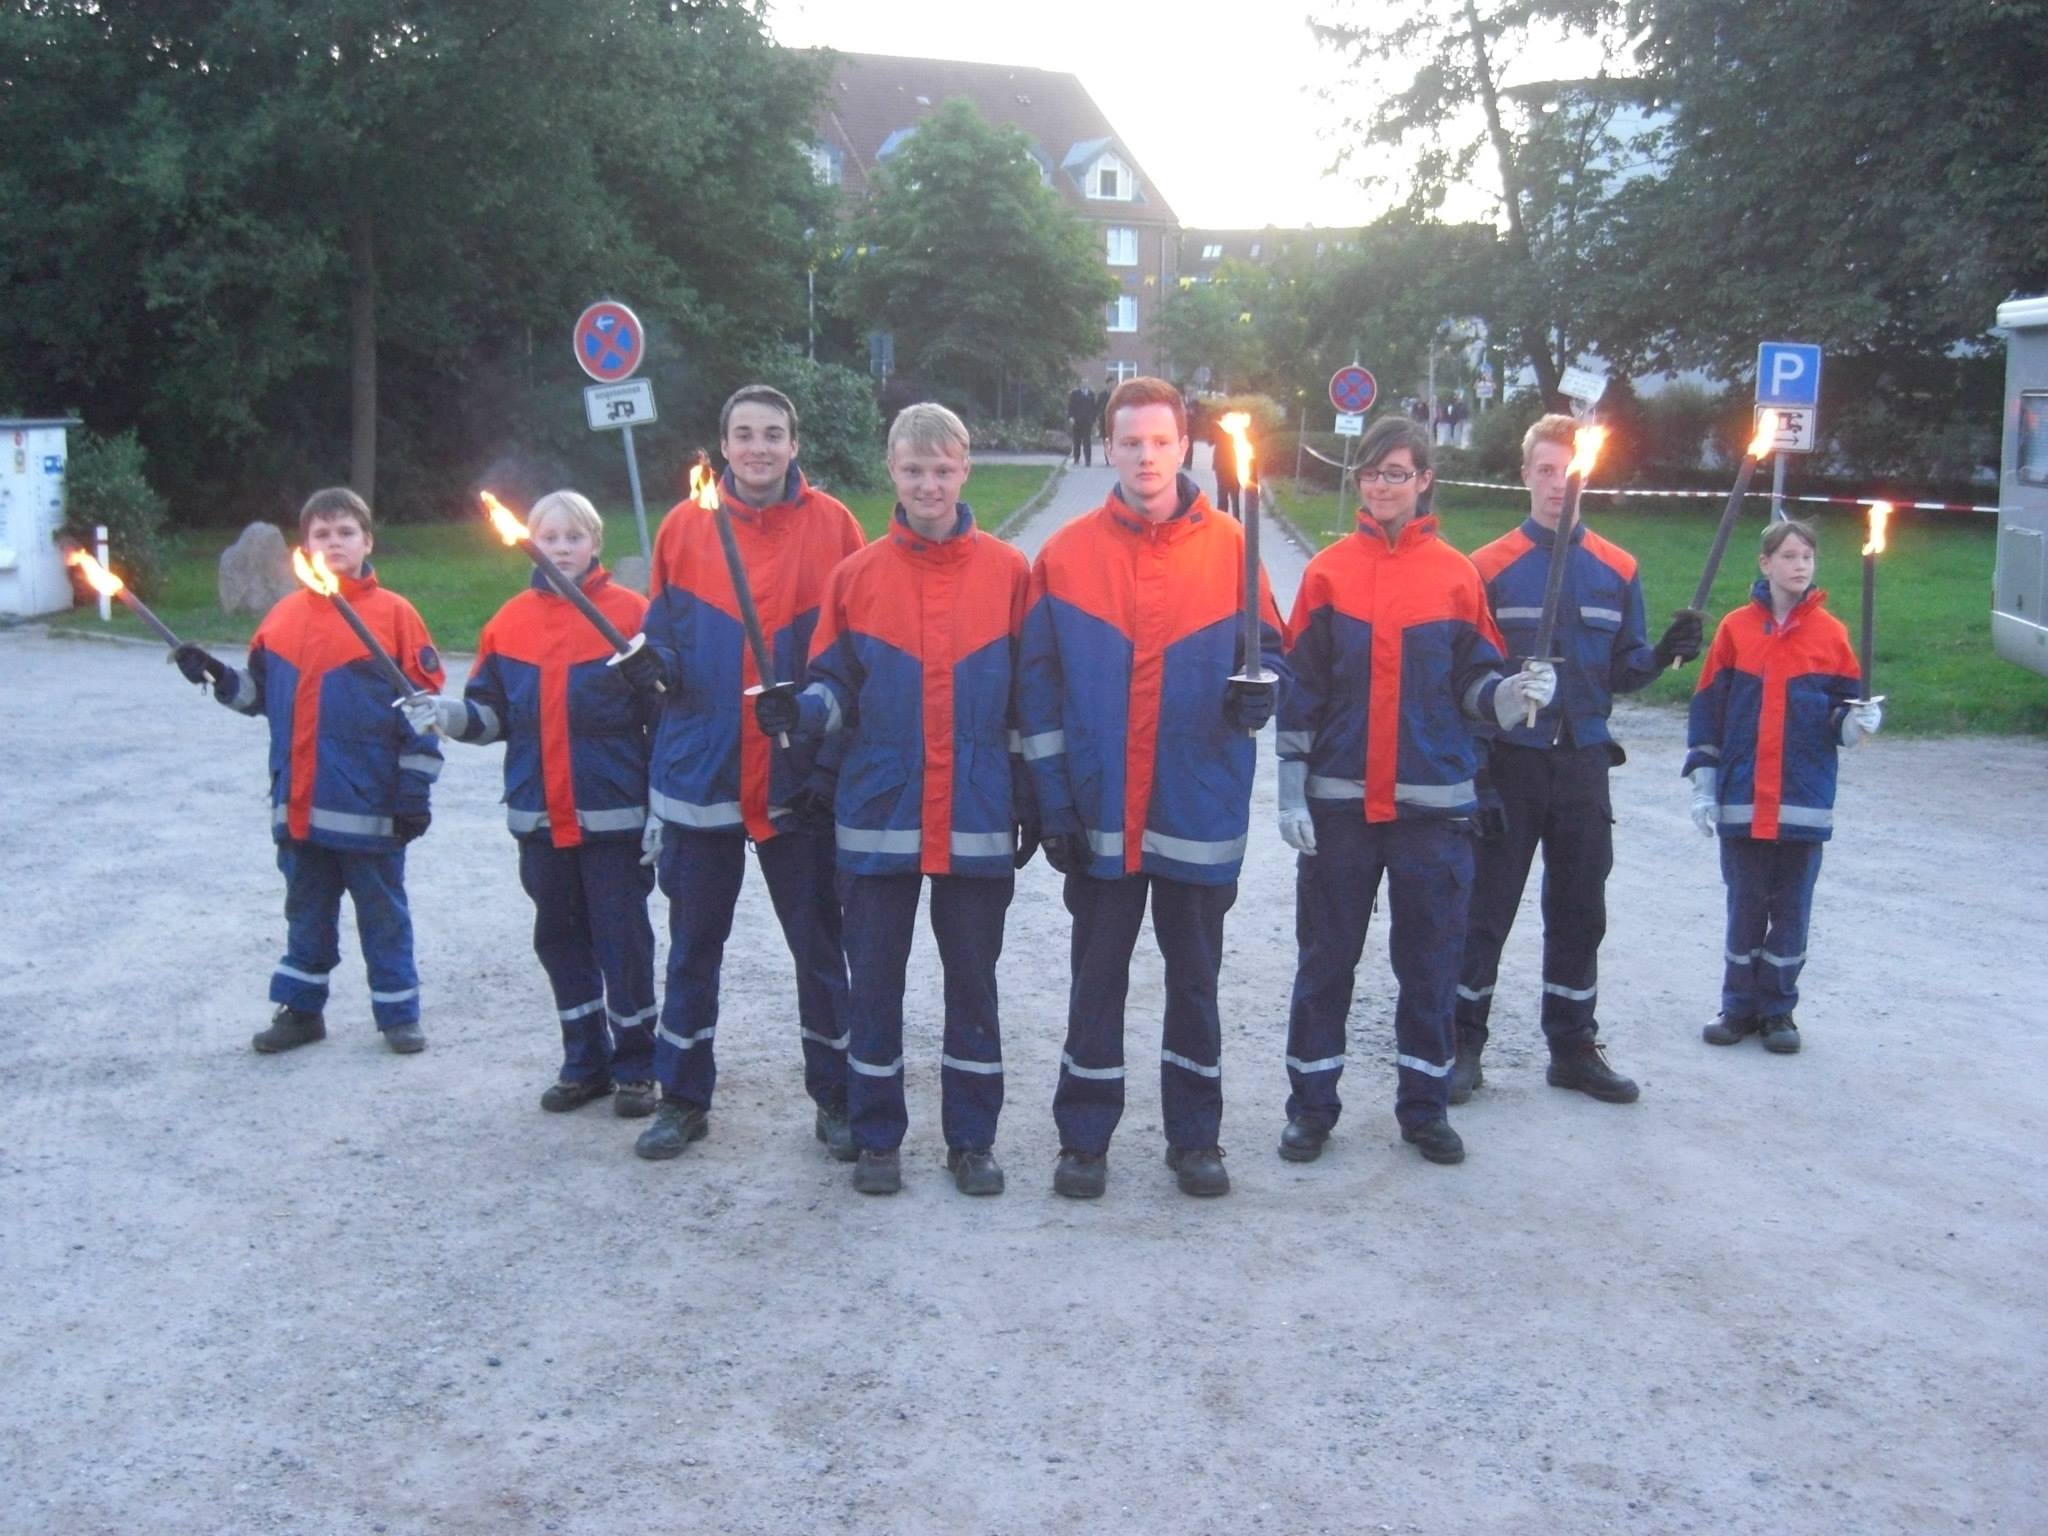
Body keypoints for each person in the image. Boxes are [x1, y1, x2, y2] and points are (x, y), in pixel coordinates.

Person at [1018, 375, 1288, 1199]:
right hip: (1099, 815)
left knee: (1196, 982)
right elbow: (1038, 693)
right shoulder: (1065, 556)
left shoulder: (1232, 548)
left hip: (1195, 807)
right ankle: (1084, 1139)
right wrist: (1054, 805)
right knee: (1095, 980)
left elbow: (1272, 654)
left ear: (1185, 448)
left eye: (1160, 442)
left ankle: (1195, 1138)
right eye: (1131, 442)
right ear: (1109, 447)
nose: (1145, 456)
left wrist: (1263, 691)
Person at [761, 403, 1032, 1197]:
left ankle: (972, 1141)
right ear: (892, 472)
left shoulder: (1010, 573)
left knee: (973, 986)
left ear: (965, 470)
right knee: (875, 984)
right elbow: (833, 686)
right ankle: (878, 1137)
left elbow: (1032, 699)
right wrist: (800, 712)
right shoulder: (857, 576)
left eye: (943, 469)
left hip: (976, 813)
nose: (929, 485)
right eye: (914, 470)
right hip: (879, 814)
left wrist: (1036, 800)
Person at [1273, 417, 1547, 1167]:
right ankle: (1311, 1108)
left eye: (1396, 472)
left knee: (1429, 964)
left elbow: (1474, 684)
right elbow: (1300, 688)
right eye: (1371, 472)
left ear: (1425, 480)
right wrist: (1290, 789)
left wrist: (1512, 694)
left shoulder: (1456, 576)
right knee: (1325, 961)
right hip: (1340, 807)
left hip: (1434, 809)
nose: (1382, 485)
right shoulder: (1327, 573)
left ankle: (1424, 1109)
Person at [612, 384, 865, 1161]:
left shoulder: (834, 526)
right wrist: (656, 665)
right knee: (693, 946)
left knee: (819, 948)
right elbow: (667, 633)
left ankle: (836, 1096)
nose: (759, 447)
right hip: (704, 773)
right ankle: (683, 1097)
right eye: (745, 434)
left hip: (796, 778)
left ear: (795, 444)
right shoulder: (685, 526)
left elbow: (853, 653)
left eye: (773, 433)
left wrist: (826, 754)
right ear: (723, 446)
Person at [1451, 414, 1705, 1106]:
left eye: (1570, 471)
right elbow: (1466, 677)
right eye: (1545, 470)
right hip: (1510, 762)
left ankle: (1572, 1046)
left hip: (1583, 761)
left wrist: (1664, 654)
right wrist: (1478, 775)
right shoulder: (1487, 566)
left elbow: (1624, 668)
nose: (1558, 483)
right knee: (1485, 909)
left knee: (1580, 909)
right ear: (1525, 475)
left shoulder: (1618, 569)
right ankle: (1461, 1043)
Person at [404, 491, 659, 1118]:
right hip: (539, 817)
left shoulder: (632, 616)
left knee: (623, 941)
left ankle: (637, 1066)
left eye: (574, 537)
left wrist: (662, 810)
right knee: (559, 938)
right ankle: (584, 1062)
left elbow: (664, 718)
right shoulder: (508, 623)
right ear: (532, 543)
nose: (562, 548)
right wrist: (448, 716)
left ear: (595, 543)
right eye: (550, 537)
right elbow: (491, 715)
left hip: (613, 818)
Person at [172, 487, 444, 1055]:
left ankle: (399, 1014)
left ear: (367, 542)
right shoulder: (282, 619)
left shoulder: (395, 616)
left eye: (346, 532)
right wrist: (217, 676)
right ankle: (300, 1010)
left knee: (383, 914)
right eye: (322, 534)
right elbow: (258, 697)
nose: (334, 543)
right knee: (306, 911)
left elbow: (423, 715)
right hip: (298, 805)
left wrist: (414, 789)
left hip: (371, 807)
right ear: (305, 547)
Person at [1686, 519, 1881, 1055]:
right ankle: (1737, 1007)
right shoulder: (1735, 630)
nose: (1800, 566)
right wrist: (1704, 781)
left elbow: (1842, 715)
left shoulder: (1832, 635)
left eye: (1807, 557)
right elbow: (1708, 710)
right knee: (1745, 906)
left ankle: (1778, 1011)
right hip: (1744, 799)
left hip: (1802, 802)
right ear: (1766, 563)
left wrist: (1856, 723)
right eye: (1790, 556)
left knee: (1792, 909)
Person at [1210, 411, 1242, 518]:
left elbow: (1210, 442)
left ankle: (1222, 519)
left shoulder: (1217, 426)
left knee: (1222, 492)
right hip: (1232, 461)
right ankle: (1236, 519)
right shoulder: (1237, 426)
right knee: (1234, 492)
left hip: (1220, 462)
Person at [1067, 384, 1097, 467]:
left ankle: (1088, 460)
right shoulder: (1074, 393)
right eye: (1083, 381)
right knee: (1077, 441)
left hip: (1087, 421)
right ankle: (1076, 458)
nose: (1084, 383)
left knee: (1087, 441)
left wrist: (1093, 419)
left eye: (1086, 381)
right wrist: (1071, 417)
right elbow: (1070, 406)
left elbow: (1094, 408)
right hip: (1076, 421)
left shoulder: (1091, 394)